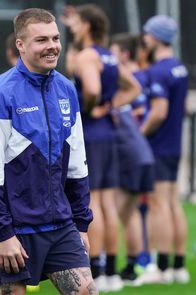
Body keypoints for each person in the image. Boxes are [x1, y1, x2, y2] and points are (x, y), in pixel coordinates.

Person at [0, 8, 98, 295]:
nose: (52, 46)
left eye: (55, 38)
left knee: (86, 292)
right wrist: (2, 235)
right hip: (13, 230)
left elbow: (77, 165)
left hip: (61, 227)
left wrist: (80, 224)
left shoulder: (67, 89)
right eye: (41, 40)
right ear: (20, 44)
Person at [63, 4, 140, 291]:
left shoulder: (88, 55)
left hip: (92, 134)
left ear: (87, 26)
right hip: (108, 133)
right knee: (107, 203)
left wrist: (90, 108)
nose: (72, 27)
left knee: (92, 202)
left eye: (76, 23)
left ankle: (95, 268)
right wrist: (111, 107)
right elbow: (133, 87)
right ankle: (110, 272)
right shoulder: (107, 55)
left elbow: (92, 89)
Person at [139, 15, 190, 284]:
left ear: (156, 37)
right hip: (174, 144)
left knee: (159, 206)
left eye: (147, 34)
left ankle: (159, 269)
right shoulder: (180, 68)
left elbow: (159, 112)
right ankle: (178, 267)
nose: (144, 39)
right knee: (172, 204)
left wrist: (138, 135)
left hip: (158, 146)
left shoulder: (157, 71)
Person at [109, 33, 155, 285]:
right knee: (130, 213)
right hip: (143, 155)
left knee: (112, 211)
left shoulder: (114, 97)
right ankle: (132, 268)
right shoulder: (125, 94)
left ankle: (112, 269)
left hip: (130, 157)